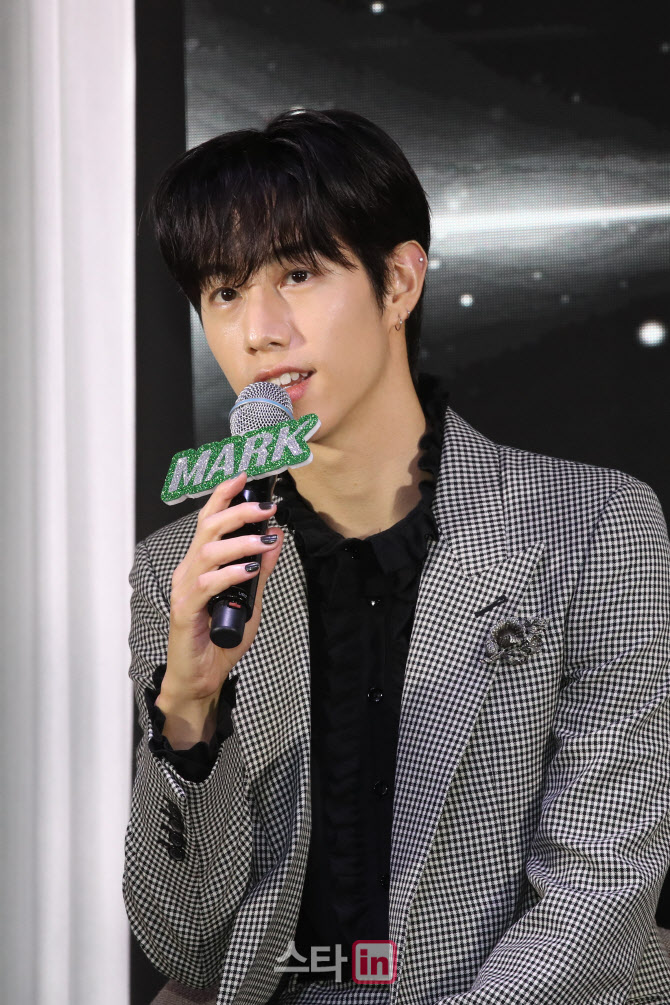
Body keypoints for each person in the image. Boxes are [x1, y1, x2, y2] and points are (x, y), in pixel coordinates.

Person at [123, 108, 670, 1005]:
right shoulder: (181, 572)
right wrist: (186, 705)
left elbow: (597, 896)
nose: (259, 330)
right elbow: (190, 945)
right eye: (224, 292)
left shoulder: (594, 527)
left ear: (400, 282)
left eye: (298, 274)